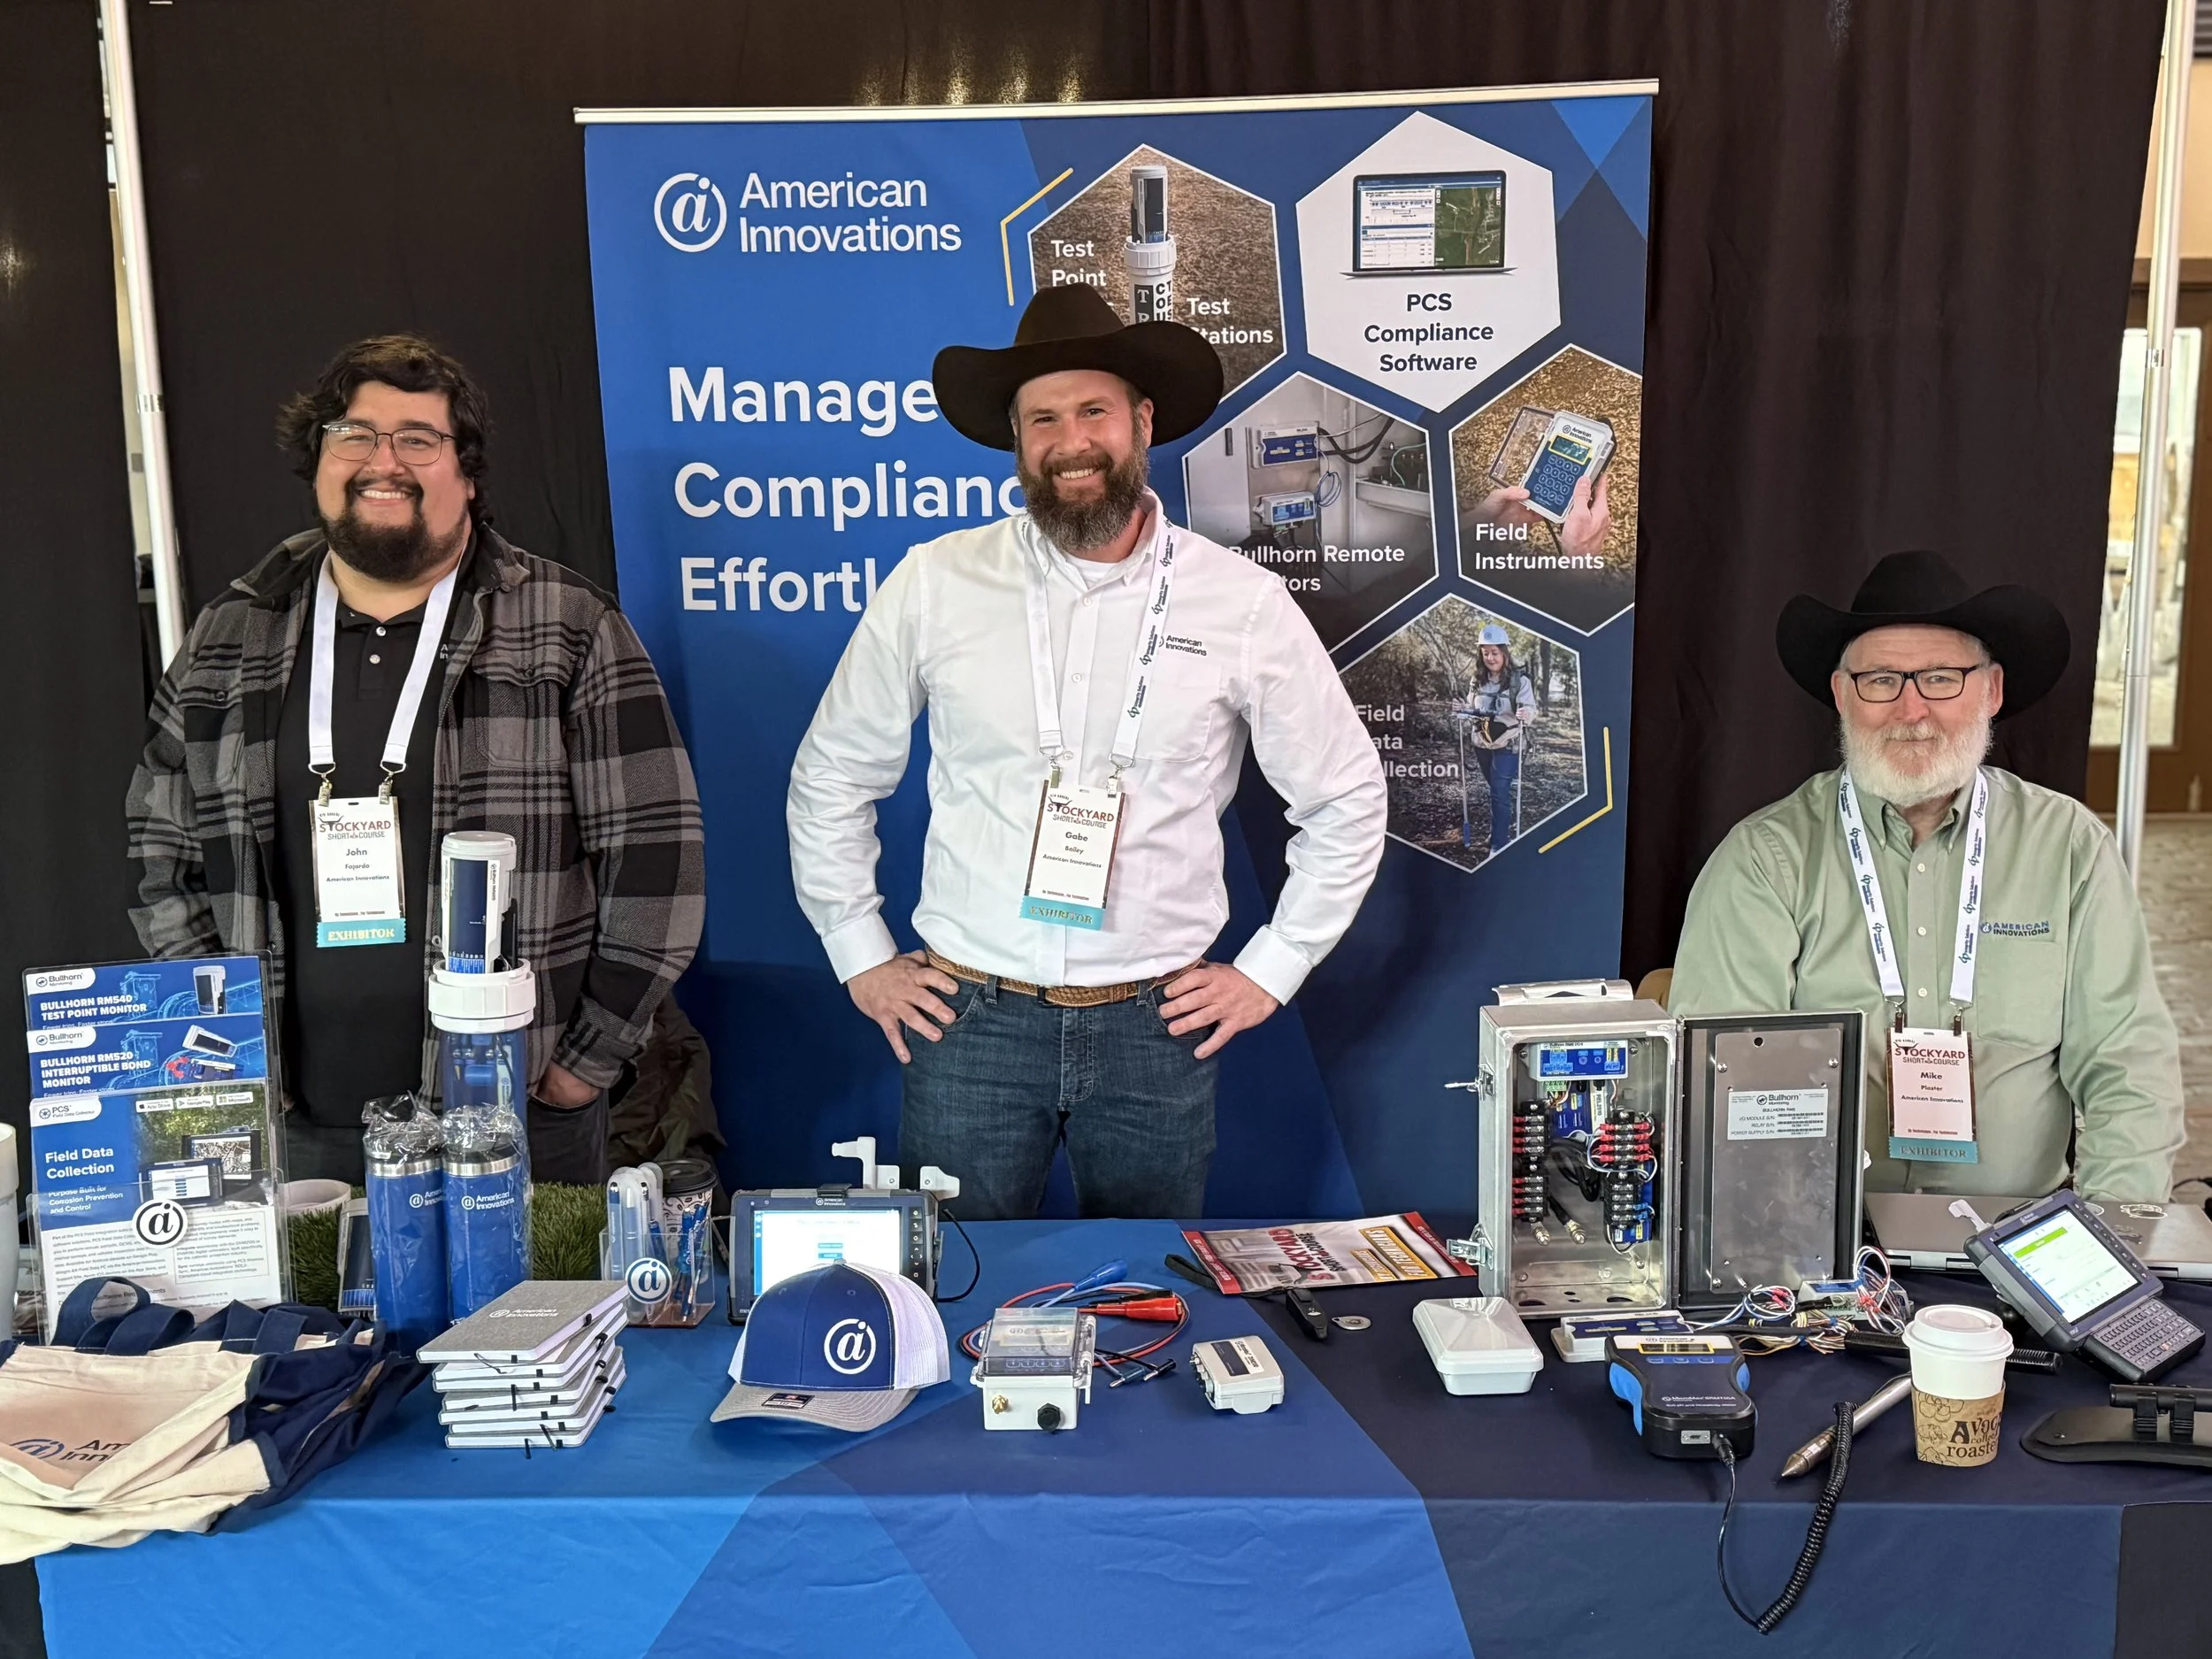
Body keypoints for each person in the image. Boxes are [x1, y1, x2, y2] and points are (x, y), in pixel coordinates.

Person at [787, 286, 1387, 1220]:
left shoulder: (1240, 602)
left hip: (1157, 1027)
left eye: (1094, 411)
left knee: (1147, 1306)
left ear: (1142, 423)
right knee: (953, 1289)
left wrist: (1272, 968)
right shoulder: (936, 582)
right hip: (970, 1022)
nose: (1071, 441)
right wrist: (858, 950)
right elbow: (831, 775)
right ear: (1019, 441)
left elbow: (1344, 799)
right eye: (1043, 419)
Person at [127, 334, 705, 1184]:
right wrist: (230, 1050)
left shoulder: (568, 627)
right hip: (298, 1130)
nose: (381, 460)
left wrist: (585, 1066)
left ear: (466, 473)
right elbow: (160, 855)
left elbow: (659, 865)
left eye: (417, 438)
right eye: (353, 434)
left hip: (515, 1121)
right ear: (318, 460)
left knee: (530, 1325)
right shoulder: (231, 633)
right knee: (310, 1324)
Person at [1671, 550, 2183, 1202]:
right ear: (1841, 694)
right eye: (1881, 680)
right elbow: (1719, 1084)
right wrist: (1784, 1253)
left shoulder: (2071, 849)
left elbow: (2129, 1068)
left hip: (2023, 1235)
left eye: (1941, 678)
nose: (1911, 710)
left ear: (1991, 690)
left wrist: (2112, 1239)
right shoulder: (1763, 862)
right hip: (1825, 1258)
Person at [1455, 624, 1538, 856]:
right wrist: (1462, 709)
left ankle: (1499, 845)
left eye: (1495, 652)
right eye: (1485, 653)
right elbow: (1472, 708)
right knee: (1496, 791)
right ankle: (1498, 833)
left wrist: (1525, 714)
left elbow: (1531, 711)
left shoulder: (1519, 681)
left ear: (1504, 652)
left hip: (1508, 745)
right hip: (1482, 744)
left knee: (1499, 792)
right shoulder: (1477, 680)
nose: (1490, 658)